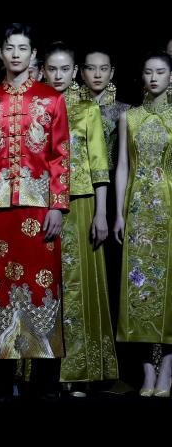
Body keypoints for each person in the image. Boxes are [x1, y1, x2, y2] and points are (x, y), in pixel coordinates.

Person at [0, 23, 71, 399]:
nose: (16, 54)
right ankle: (0, 381)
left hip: (39, 212)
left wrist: (58, 205)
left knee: (43, 288)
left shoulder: (51, 100)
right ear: (0, 53)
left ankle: (43, 384)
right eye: (10, 48)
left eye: (22, 48)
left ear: (32, 54)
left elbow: (61, 157)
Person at [41, 43, 118, 395]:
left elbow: (99, 165)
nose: (58, 75)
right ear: (43, 70)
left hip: (81, 203)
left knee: (77, 284)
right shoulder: (35, 108)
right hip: (40, 205)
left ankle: (79, 370)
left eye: (65, 69)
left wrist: (101, 213)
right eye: (52, 68)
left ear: (74, 72)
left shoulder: (88, 110)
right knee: (45, 284)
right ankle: (40, 373)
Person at [113, 52, 171, 398]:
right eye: (148, 72)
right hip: (137, 210)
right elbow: (122, 166)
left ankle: (167, 372)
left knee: (169, 291)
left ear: (170, 77)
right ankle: (148, 373)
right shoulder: (129, 117)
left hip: (169, 207)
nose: (153, 77)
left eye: (160, 72)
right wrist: (120, 213)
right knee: (139, 292)